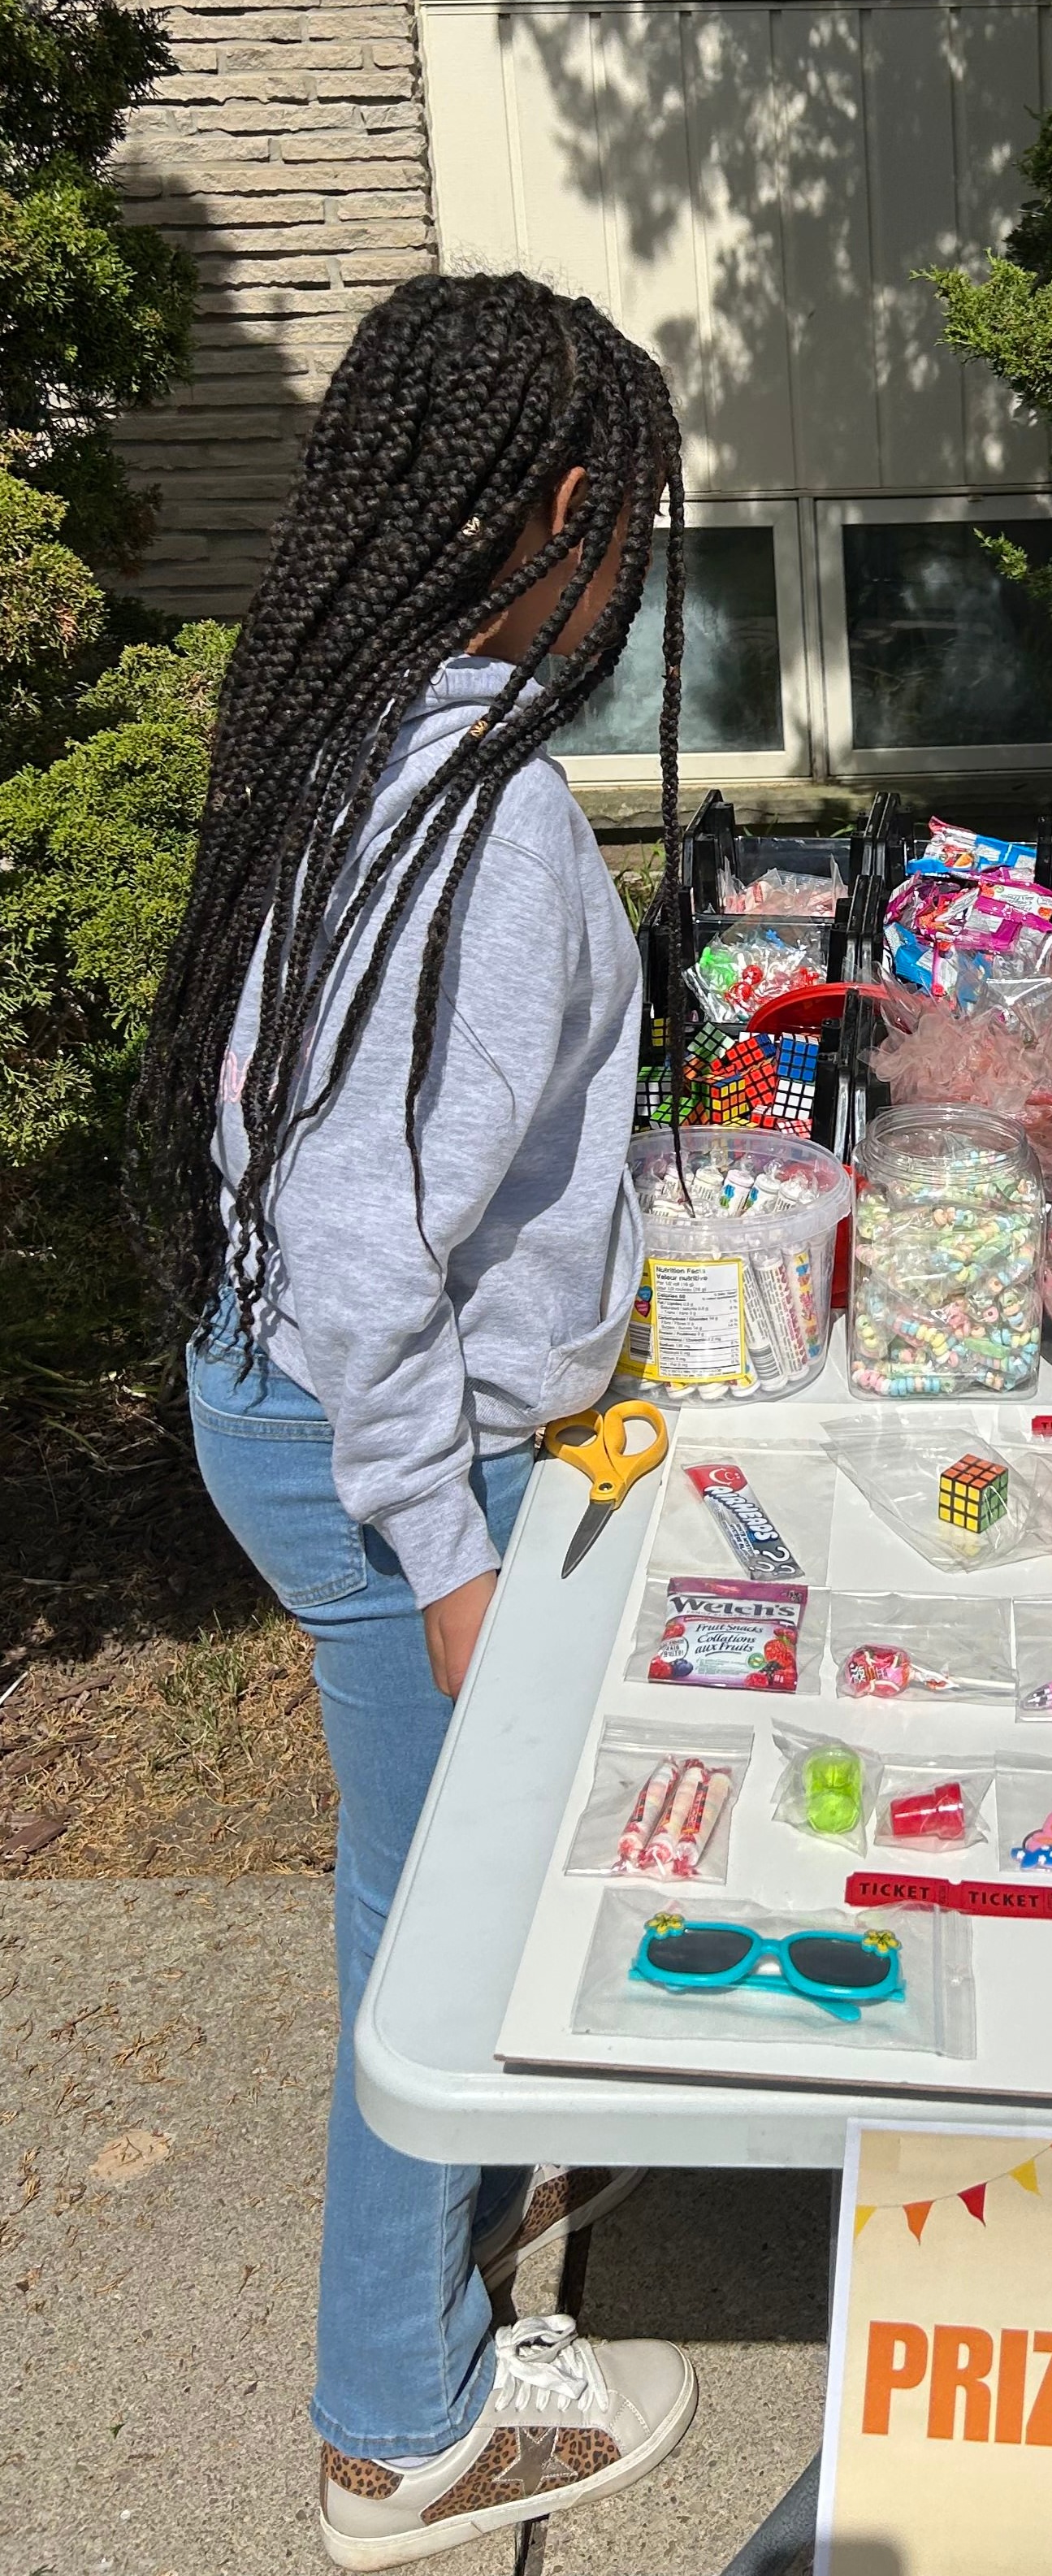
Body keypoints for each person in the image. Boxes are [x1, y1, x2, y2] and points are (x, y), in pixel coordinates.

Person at [134, 273, 698, 2566]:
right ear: (563, 508)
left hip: (303, 1407)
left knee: (434, 1885)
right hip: (386, 1452)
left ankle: (466, 2237)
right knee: (427, 1922)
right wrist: (449, 1562)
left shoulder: (356, 734)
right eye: (631, 523)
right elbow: (373, 1226)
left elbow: (338, 1164)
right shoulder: (491, 813)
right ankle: (399, 2423)